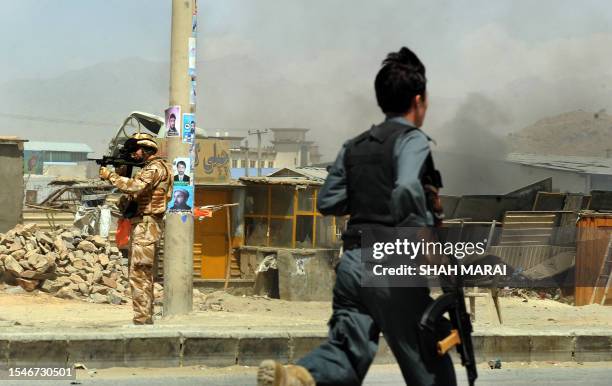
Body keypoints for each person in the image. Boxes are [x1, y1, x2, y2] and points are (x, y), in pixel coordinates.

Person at [256, 47, 455, 386]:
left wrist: (369, 195)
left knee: (347, 349)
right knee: (430, 361)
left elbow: (328, 199)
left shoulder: (355, 145)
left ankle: (299, 376)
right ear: (419, 100)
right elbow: (407, 187)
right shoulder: (413, 140)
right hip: (391, 266)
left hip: (352, 265)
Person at [99, 133, 172, 325]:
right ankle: (144, 317)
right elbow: (132, 198)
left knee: (139, 274)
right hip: (143, 225)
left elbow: (135, 187)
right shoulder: (150, 168)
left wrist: (111, 176)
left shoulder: (155, 168)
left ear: (147, 150)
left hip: (147, 226)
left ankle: (142, 319)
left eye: (136, 150)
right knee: (142, 274)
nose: (133, 154)